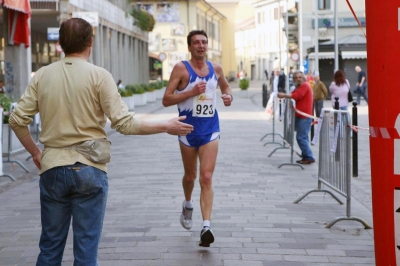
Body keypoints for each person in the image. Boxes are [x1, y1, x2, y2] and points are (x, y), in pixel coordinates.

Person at [8, 18, 193, 265]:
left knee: (50, 248)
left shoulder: (42, 75)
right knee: (86, 251)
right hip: (90, 168)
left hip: (52, 167)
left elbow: (17, 119)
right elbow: (124, 123)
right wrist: (165, 125)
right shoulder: (99, 76)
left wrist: (34, 152)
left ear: (61, 43)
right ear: (90, 42)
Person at [162, 29, 233, 248]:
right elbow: (166, 99)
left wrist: (228, 95)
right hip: (187, 130)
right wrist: (190, 93)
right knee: (191, 176)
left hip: (210, 129)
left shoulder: (216, 68)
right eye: (196, 43)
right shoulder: (181, 68)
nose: (201, 46)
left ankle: (206, 226)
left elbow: (226, 85)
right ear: (190, 46)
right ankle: (188, 203)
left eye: (204, 42)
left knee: (207, 176)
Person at [277, 70, 315, 164]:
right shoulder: (297, 87)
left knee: (300, 137)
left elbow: (298, 96)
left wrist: (284, 95)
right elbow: (294, 94)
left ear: (303, 78)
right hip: (300, 116)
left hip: (304, 116)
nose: (298, 79)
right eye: (296, 78)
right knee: (303, 137)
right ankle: (306, 156)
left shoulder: (305, 85)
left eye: (300, 77)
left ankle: (309, 156)